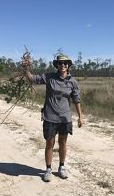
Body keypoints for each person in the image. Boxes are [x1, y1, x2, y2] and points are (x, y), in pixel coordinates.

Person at [22, 53, 84, 182]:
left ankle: (61, 167)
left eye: (65, 63)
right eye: (60, 63)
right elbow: (33, 79)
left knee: (63, 142)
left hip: (65, 118)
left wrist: (80, 117)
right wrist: (26, 69)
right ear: (57, 65)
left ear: (68, 66)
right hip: (50, 117)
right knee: (50, 143)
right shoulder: (49, 77)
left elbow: (76, 100)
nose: (63, 65)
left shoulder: (72, 82)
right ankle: (48, 169)